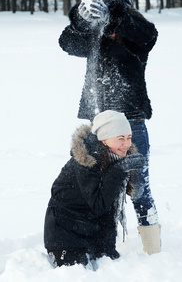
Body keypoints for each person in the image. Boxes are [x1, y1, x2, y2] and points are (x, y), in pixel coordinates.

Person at [58, 0, 161, 254]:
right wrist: (82, 20)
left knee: (138, 189)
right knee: (96, 189)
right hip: (100, 125)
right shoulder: (95, 36)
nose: (105, 21)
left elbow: (148, 33)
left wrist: (115, 16)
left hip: (131, 124)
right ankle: (100, 245)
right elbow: (67, 43)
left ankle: (154, 251)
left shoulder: (136, 38)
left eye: (111, 12)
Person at [44, 110, 152, 267]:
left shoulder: (114, 156)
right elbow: (99, 204)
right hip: (65, 235)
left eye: (129, 138)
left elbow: (109, 210)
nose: (126, 144)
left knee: (110, 266)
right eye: (120, 138)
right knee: (76, 273)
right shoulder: (86, 161)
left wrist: (107, 249)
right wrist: (119, 171)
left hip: (90, 233)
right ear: (104, 139)